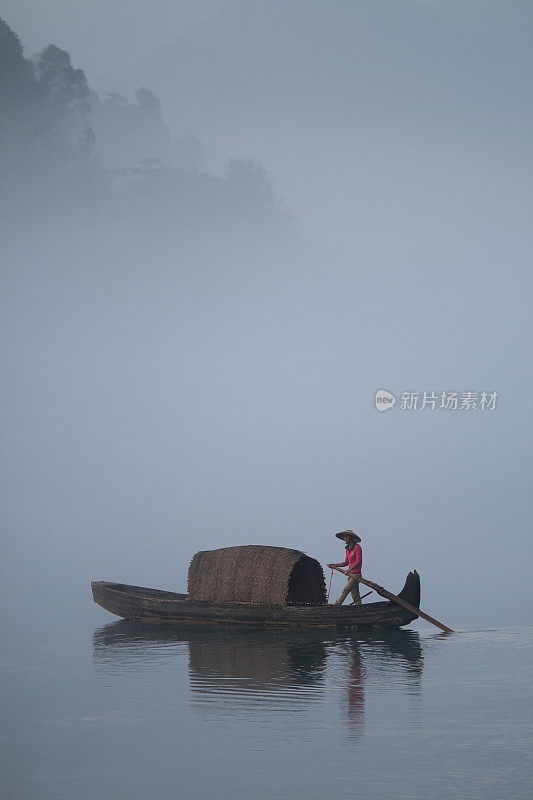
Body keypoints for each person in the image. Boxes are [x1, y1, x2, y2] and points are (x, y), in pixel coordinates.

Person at [327, 530, 363, 606]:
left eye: (346, 536)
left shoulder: (357, 547)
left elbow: (358, 562)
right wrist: (334, 565)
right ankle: (359, 607)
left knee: (345, 589)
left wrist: (349, 570)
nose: (345, 538)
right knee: (355, 594)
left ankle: (336, 605)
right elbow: (346, 563)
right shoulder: (347, 549)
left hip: (356, 575)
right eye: (344, 537)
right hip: (350, 575)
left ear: (351, 537)